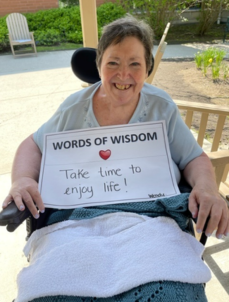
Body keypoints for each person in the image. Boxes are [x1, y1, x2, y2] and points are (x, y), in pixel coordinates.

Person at [2, 15, 229, 302]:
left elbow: (194, 158)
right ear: (99, 66)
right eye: (113, 63)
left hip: (150, 219)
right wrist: (22, 179)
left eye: (135, 63)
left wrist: (207, 188)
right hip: (77, 221)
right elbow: (32, 145)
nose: (124, 74)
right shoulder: (74, 108)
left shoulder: (161, 107)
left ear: (147, 67)